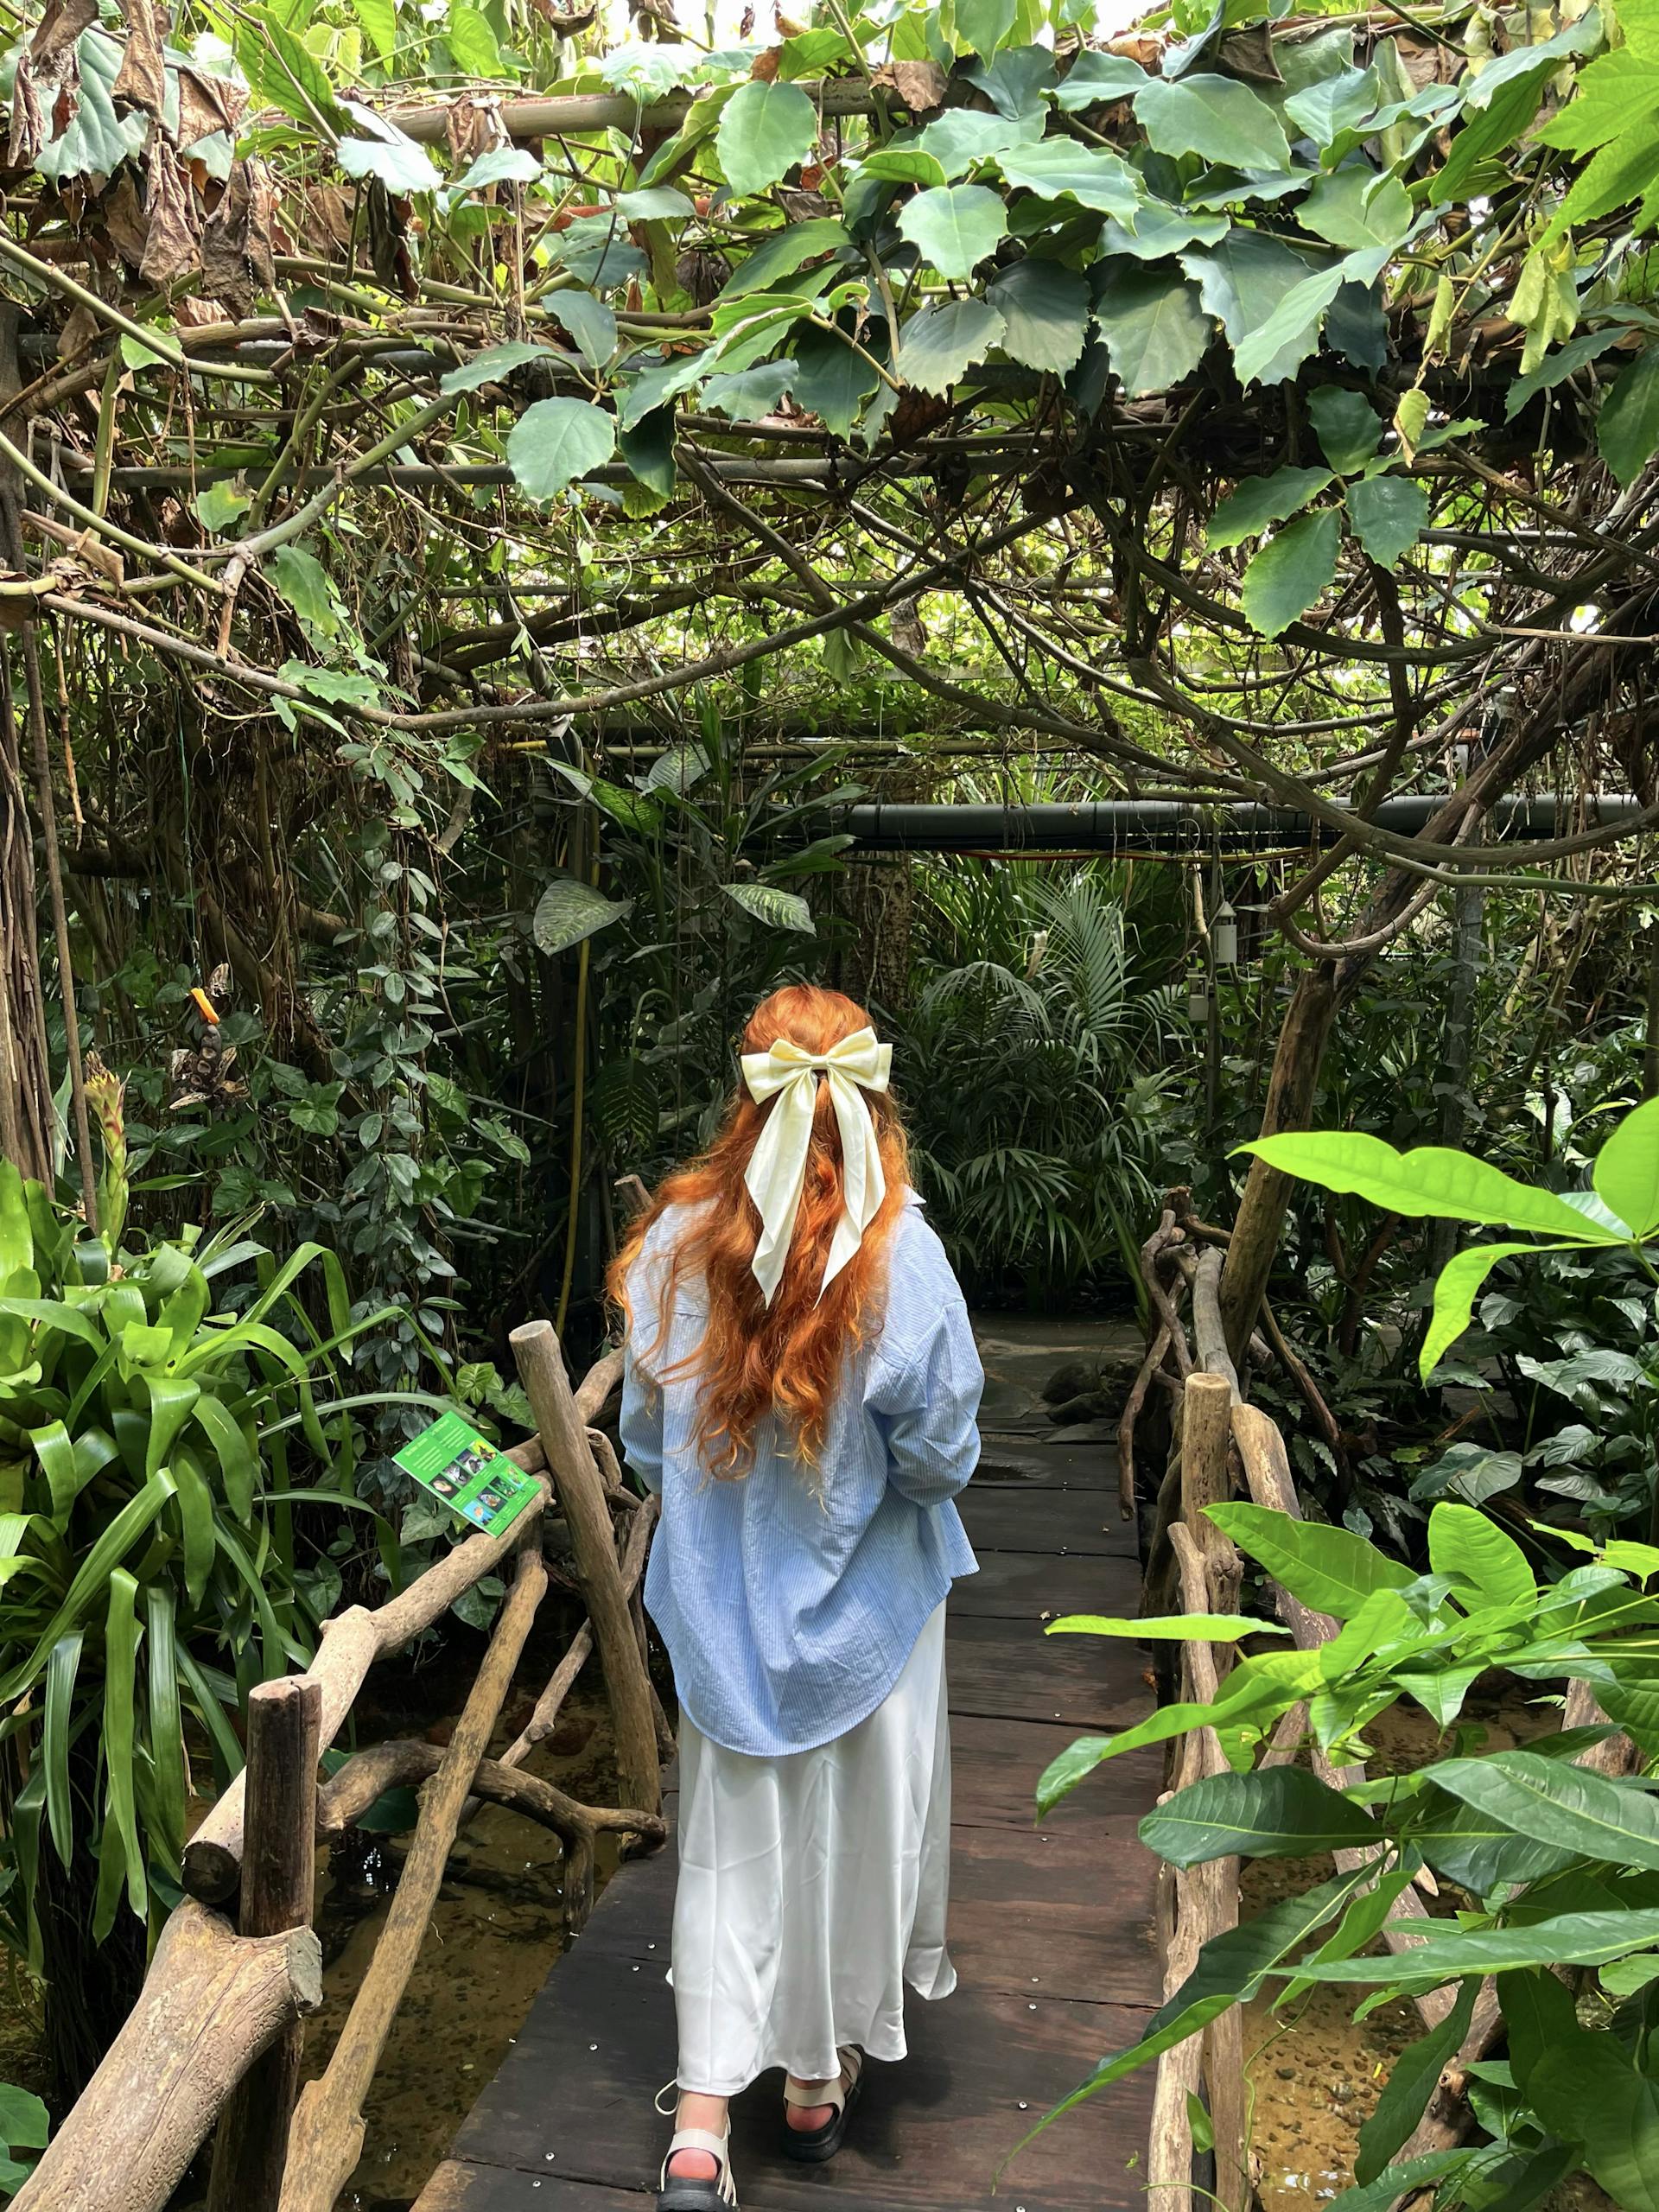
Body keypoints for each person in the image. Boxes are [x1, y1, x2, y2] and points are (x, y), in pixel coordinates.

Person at [610, 984, 984, 2212]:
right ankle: (816, 2088)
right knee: (858, 1834)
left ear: (744, 1099)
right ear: (875, 1103)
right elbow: (939, 1460)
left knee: (730, 1849)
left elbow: (649, 1443)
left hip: (722, 1611)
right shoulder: (902, 1253)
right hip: (870, 1613)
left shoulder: (674, 1244)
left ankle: (700, 2134)